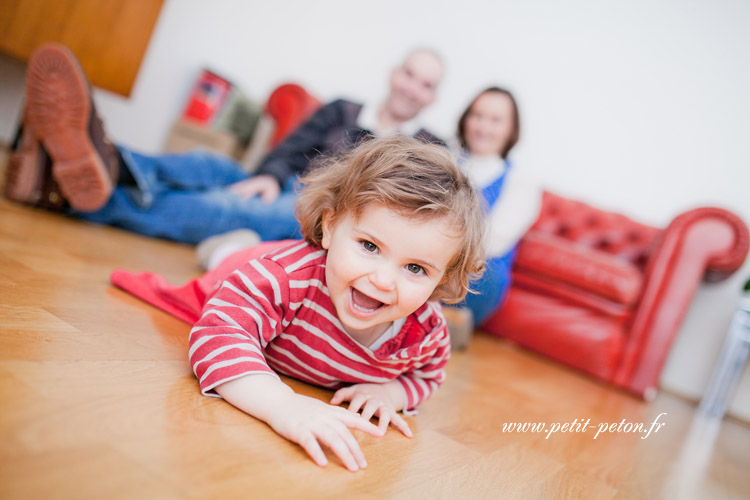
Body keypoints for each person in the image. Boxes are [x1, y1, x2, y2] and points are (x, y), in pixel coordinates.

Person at [110, 135, 486, 471]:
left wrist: (391, 393)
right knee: (227, 260)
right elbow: (219, 333)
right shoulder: (283, 279)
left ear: (444, 277)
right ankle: (227, 246)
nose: (383, 280)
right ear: (330, 224)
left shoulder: (426, 331)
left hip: (273, 266)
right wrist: (281, 405)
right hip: (247, 267)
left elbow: (427, 376)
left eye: (416, 268)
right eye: (369, 246)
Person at [4, 43, 445, 244]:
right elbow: (293, 147)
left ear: (432, 97)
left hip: (315, 212)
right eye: (410, 75)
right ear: (394, 73)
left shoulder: (424, 149)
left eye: (426, 85)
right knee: (206, 165)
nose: (413, 89)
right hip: (280, 181)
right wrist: (271, 177)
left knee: (227, 206)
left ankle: (75, 189)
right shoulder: (344, 109)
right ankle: (110, 162)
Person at [450, 86, 541, 328]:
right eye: (477, 116)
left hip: (474, 279)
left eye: (495, 120)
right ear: (466, 119)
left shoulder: (520, 183)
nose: (483, 127)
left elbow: (491, 243)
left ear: (511, 129)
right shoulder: (446, 160)